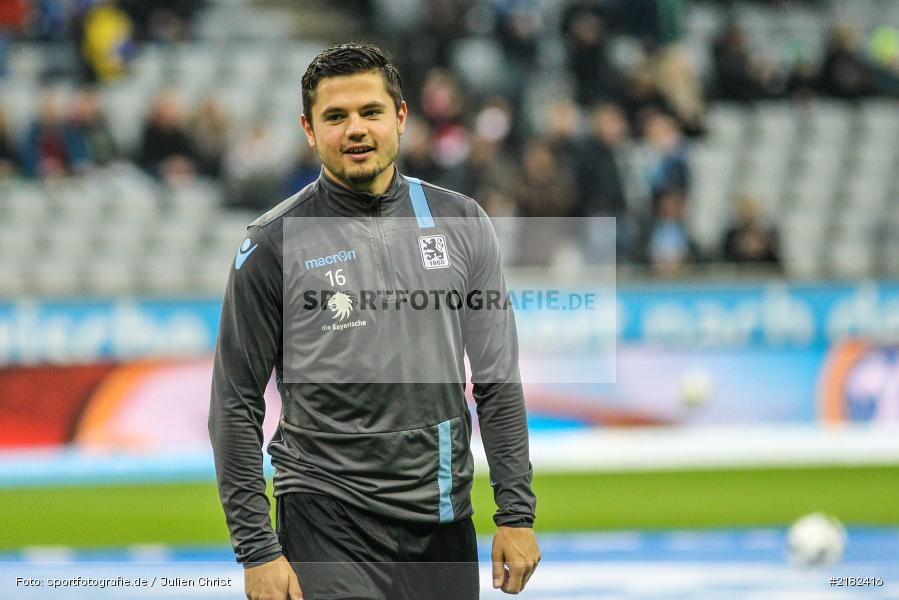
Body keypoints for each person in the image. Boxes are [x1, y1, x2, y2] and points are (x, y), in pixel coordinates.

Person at [209, 43, 540, 600]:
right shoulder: (272, 243)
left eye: (370, 111)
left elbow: (497, 380)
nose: (355, 129)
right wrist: (257, 549)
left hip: (441, 514)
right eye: (335, 117)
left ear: (401, 117)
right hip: (325, 516)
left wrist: (516, 512)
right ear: (309, 131)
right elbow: (235, 403)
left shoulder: (463, 223)